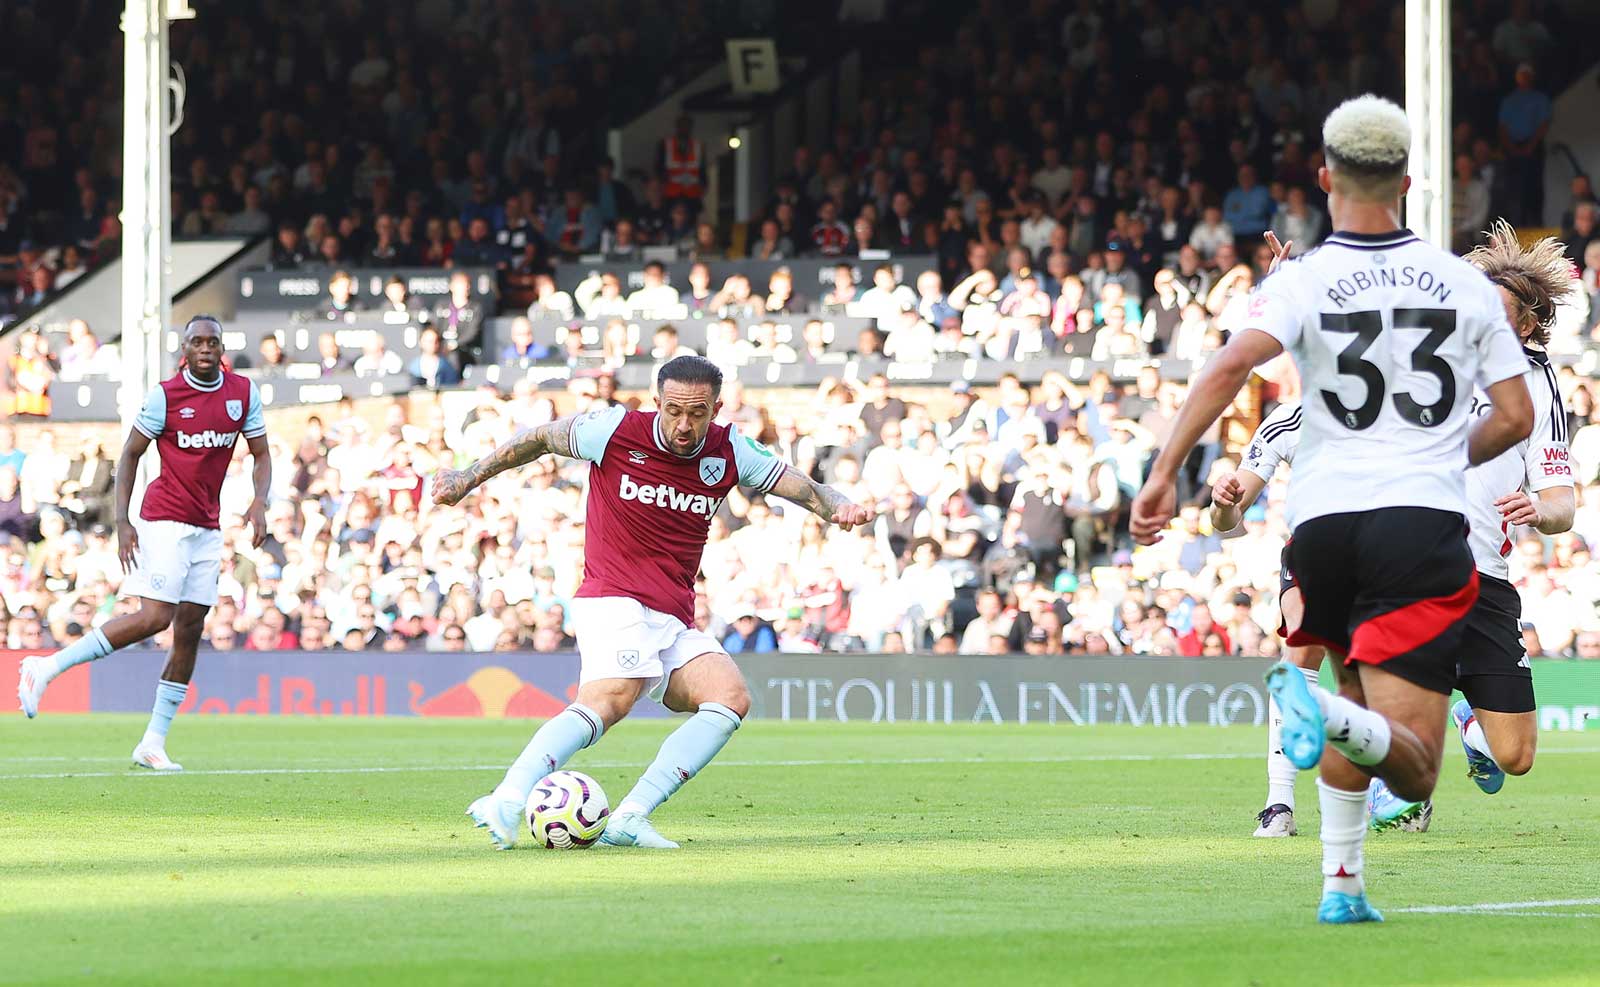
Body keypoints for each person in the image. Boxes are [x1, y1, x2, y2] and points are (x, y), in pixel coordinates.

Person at [1131, 96, 1534, 925]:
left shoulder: (1304, 279)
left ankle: (1341, 884)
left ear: (1324, 179)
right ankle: (1322, 733)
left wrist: (1165, 470)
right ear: (1411, 183)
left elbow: (1230, 364)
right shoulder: (1464, 285)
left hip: (1321, 529)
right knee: (1416, 765)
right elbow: (1517, 417)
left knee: (1351, 703)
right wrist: (1440, 456)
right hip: (1417, 526)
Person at [432, 355, 873, 850]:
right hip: (612, 597)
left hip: (672, 611)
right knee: (610, 698)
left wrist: (838, 507)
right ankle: (508, 798)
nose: (685, 426)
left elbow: (802, 486)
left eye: (698, 413)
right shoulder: (613, 430)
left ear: (716, 408)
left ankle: (630, 817)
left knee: (729, 698)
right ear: (657, 402)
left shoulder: (730, 451)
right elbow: (538, 438)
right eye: (674, 411)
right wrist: (467, 477)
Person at [1366, 221, 1577, 829]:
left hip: (1486, 582)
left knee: (1516, 757)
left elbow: (1562, 504)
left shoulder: (1538, 389)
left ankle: (1466, 720)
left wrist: (1541, 510)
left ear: (1528, 325)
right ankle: (1402, 781)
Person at [18, 316, 271, 773]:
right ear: (186, 350)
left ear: (223, 348)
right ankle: (47, 666)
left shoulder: (243, 394)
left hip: (207, 527)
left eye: (213, 342)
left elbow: (262, 453)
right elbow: (131, 453)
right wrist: (123, 520)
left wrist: (260, 503)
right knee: (157, 616)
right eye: (198, 342)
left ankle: (152, 742)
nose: (206, 349)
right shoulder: (166, 396)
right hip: (164, 520)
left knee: (191, 628)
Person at [1211, 398, 1325, 837]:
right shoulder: (1288, 418)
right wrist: (1222, 502)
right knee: (1298, 651)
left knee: (1382, 678)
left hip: (1388, 549)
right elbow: (1226, 518)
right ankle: (1280, 803)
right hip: (1315, 548)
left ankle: (1398, 780)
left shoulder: (1397, 399)